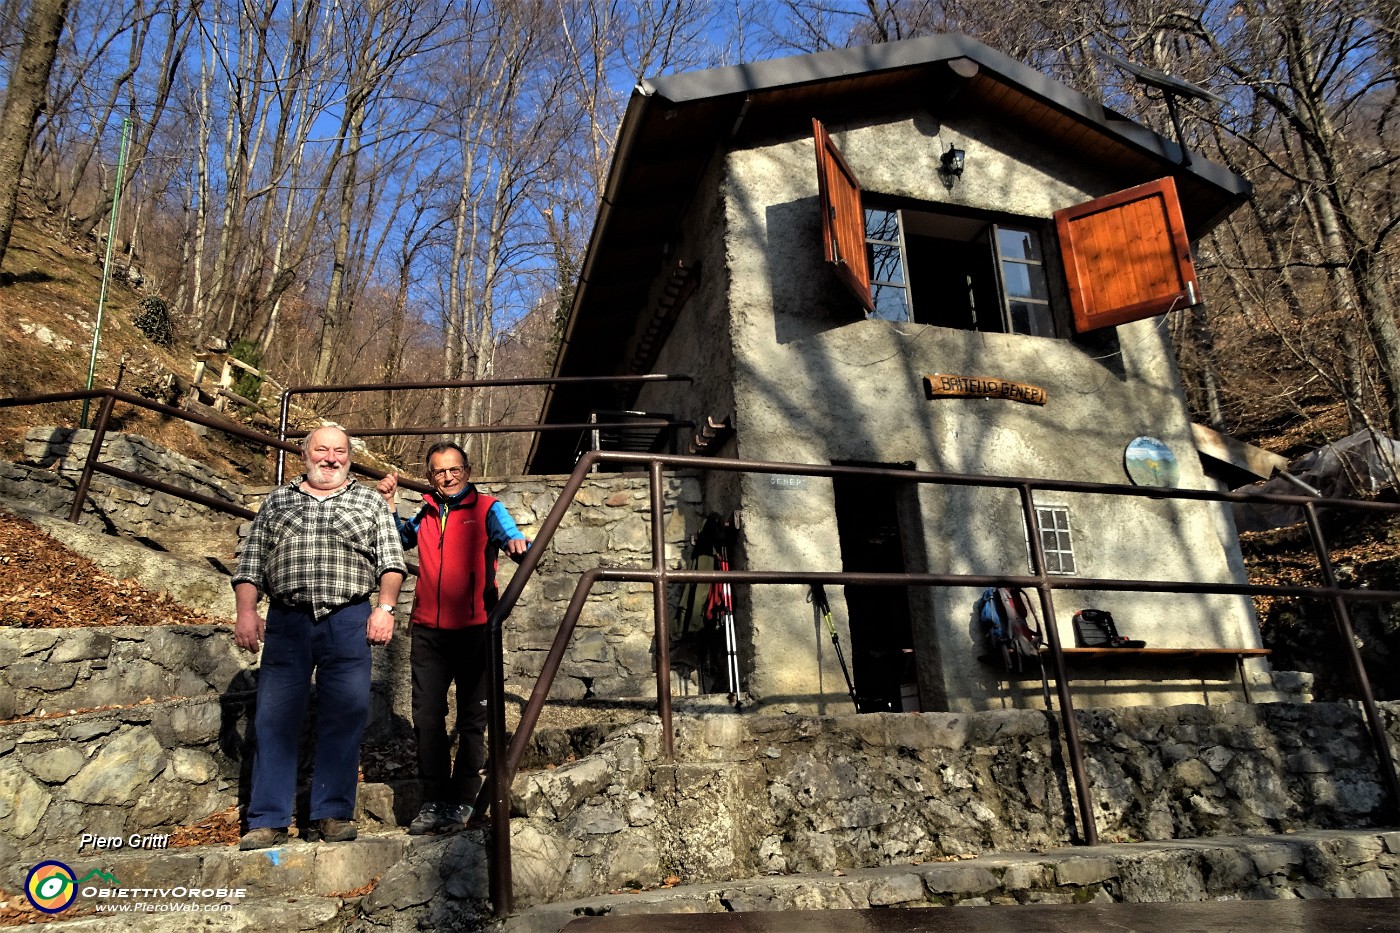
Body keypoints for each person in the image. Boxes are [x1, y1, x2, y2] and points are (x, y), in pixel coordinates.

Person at [232, 426, 406, 851]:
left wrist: (384, 609)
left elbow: (391, 561)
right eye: (322, 450)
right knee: (274, 719)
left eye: (340, 451)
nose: (331, 458)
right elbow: (251, 563)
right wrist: (246, 611)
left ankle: (331, 813)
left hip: (348, 620)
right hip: (288, 623)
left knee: (344, 717)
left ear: (349, 457)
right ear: (305, 453)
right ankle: (267, 819)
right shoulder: (278, 500)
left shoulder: (368, 501)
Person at [376, 441, 529, 835]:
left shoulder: (488, 508)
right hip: (428, 632)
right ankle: (433, 801)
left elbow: (510, 534)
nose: (448, 477)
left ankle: (462, 798)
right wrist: (390, 505)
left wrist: (515, 543)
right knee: (427, 719)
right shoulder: (426, 511)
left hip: (476, 632)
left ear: (467, 470)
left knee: (473, 719)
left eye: (454, 469)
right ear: (430, 477)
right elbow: (398, 540)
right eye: (439, 471)